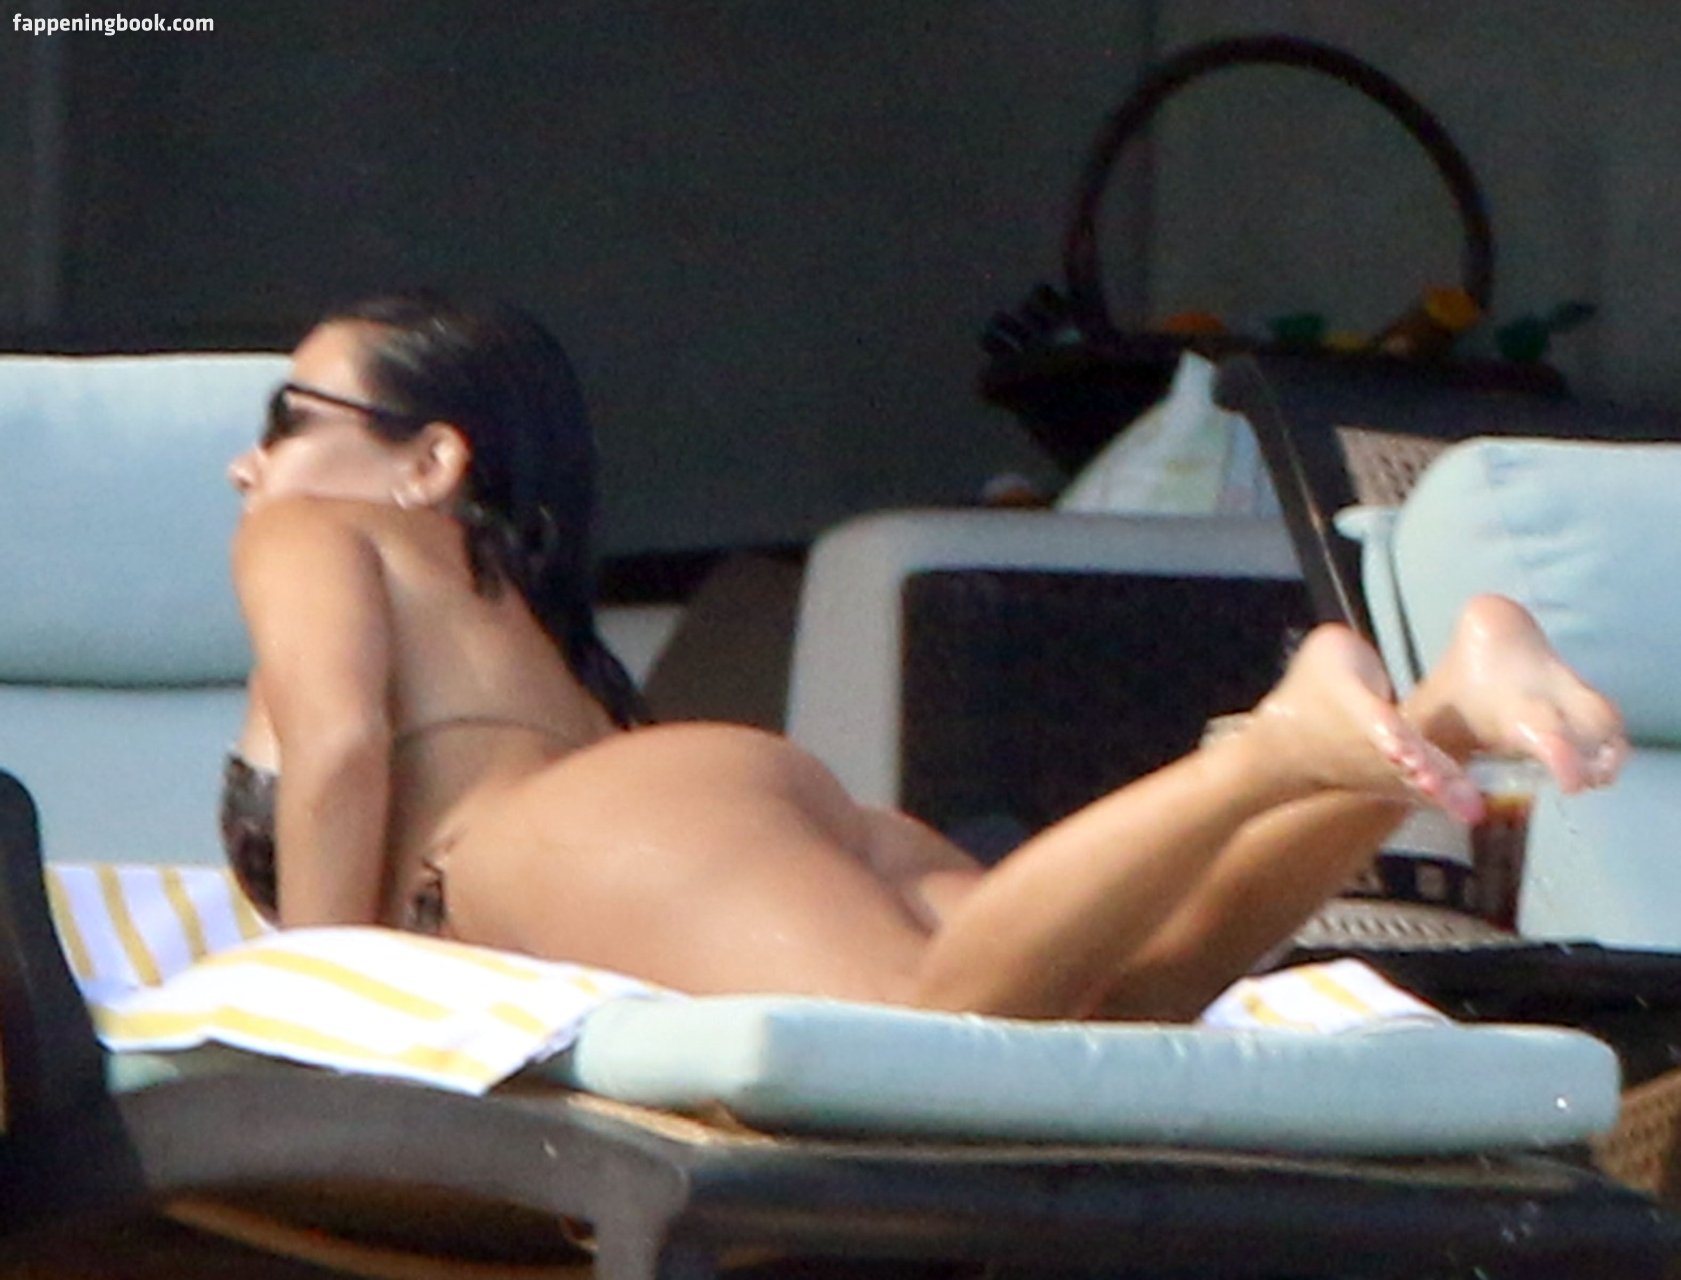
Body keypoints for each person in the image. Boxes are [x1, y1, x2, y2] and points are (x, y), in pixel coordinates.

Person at [223, 290, 1628, 1023]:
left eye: (287, 415)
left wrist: (320, 1014)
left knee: (926, 1023)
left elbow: (340, 747)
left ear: (431, 461)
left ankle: (1273, 747)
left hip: (594, 833)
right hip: (696, 812)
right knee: (1123, 1002)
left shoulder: (310, 532)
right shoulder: (511, 625)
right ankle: (1435, 712)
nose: (251, 459)